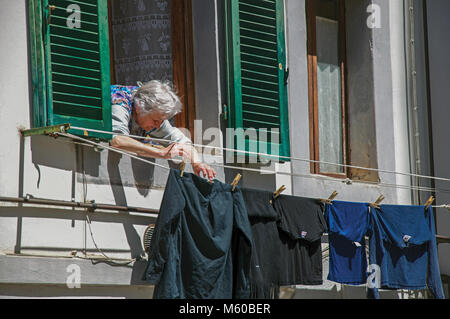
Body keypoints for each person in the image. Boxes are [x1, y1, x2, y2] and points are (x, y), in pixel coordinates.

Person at [110, 80, 216, 180]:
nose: (158, 126)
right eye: (155, 120)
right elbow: (117, 140)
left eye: (161, 121)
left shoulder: (154, 115)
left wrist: (197, 163)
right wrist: (160, 153)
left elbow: (183, 143)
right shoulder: (119, 102)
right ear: (138, 108)